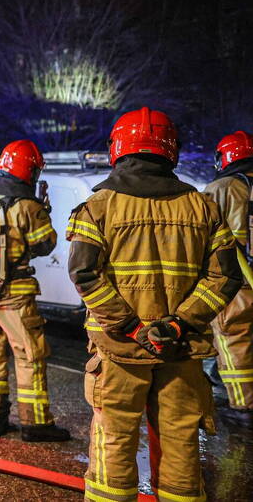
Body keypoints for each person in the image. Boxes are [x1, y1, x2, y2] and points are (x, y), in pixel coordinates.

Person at [67, 107, 243, 502]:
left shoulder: (98, 207)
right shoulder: (203, 207)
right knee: (181, 442)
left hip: (120, 351)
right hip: (180, 351)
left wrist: (131, 328)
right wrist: (178, 325)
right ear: (171, 152)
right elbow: (226, 277)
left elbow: (84, 274)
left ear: (118, 149)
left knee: (114, 438)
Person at [0, 139, 69, 441]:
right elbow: (45, 245)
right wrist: (43, 211)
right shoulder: (27, 207)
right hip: (15, 294)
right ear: (29, 171)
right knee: (28, 355)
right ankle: (36, 425)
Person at [203, 130, 253, 425]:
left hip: (235, 282)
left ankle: (243, 407)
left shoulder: (222, 187)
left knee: (234, 341)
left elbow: (209, 234)